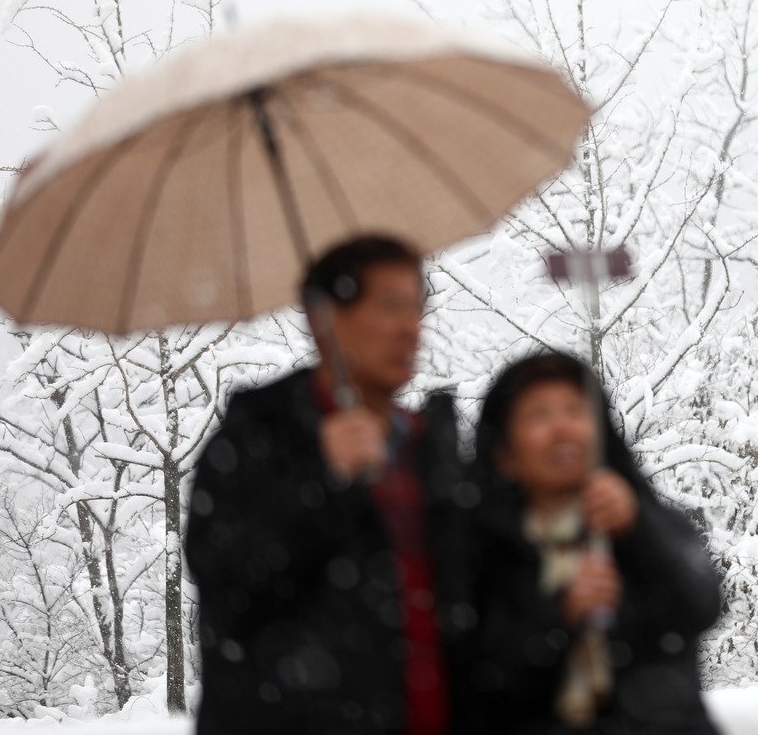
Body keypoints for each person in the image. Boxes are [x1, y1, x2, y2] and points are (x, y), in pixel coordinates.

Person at [185, 235, 472, 735]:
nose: (410, 328)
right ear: (324, 321)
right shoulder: (258, 440)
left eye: (415, 307)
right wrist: (323, 482)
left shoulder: (428, 447)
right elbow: (228, 585)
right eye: (388, 306)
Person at [461, 351, 722, 734]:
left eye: (575, 411)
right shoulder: (478, 546)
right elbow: (475, 671)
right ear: (504, 453)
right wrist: (558, 616)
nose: (562, 428)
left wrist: (637, 529)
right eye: (539, 415)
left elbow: (702, 605)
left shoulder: (647, 521)